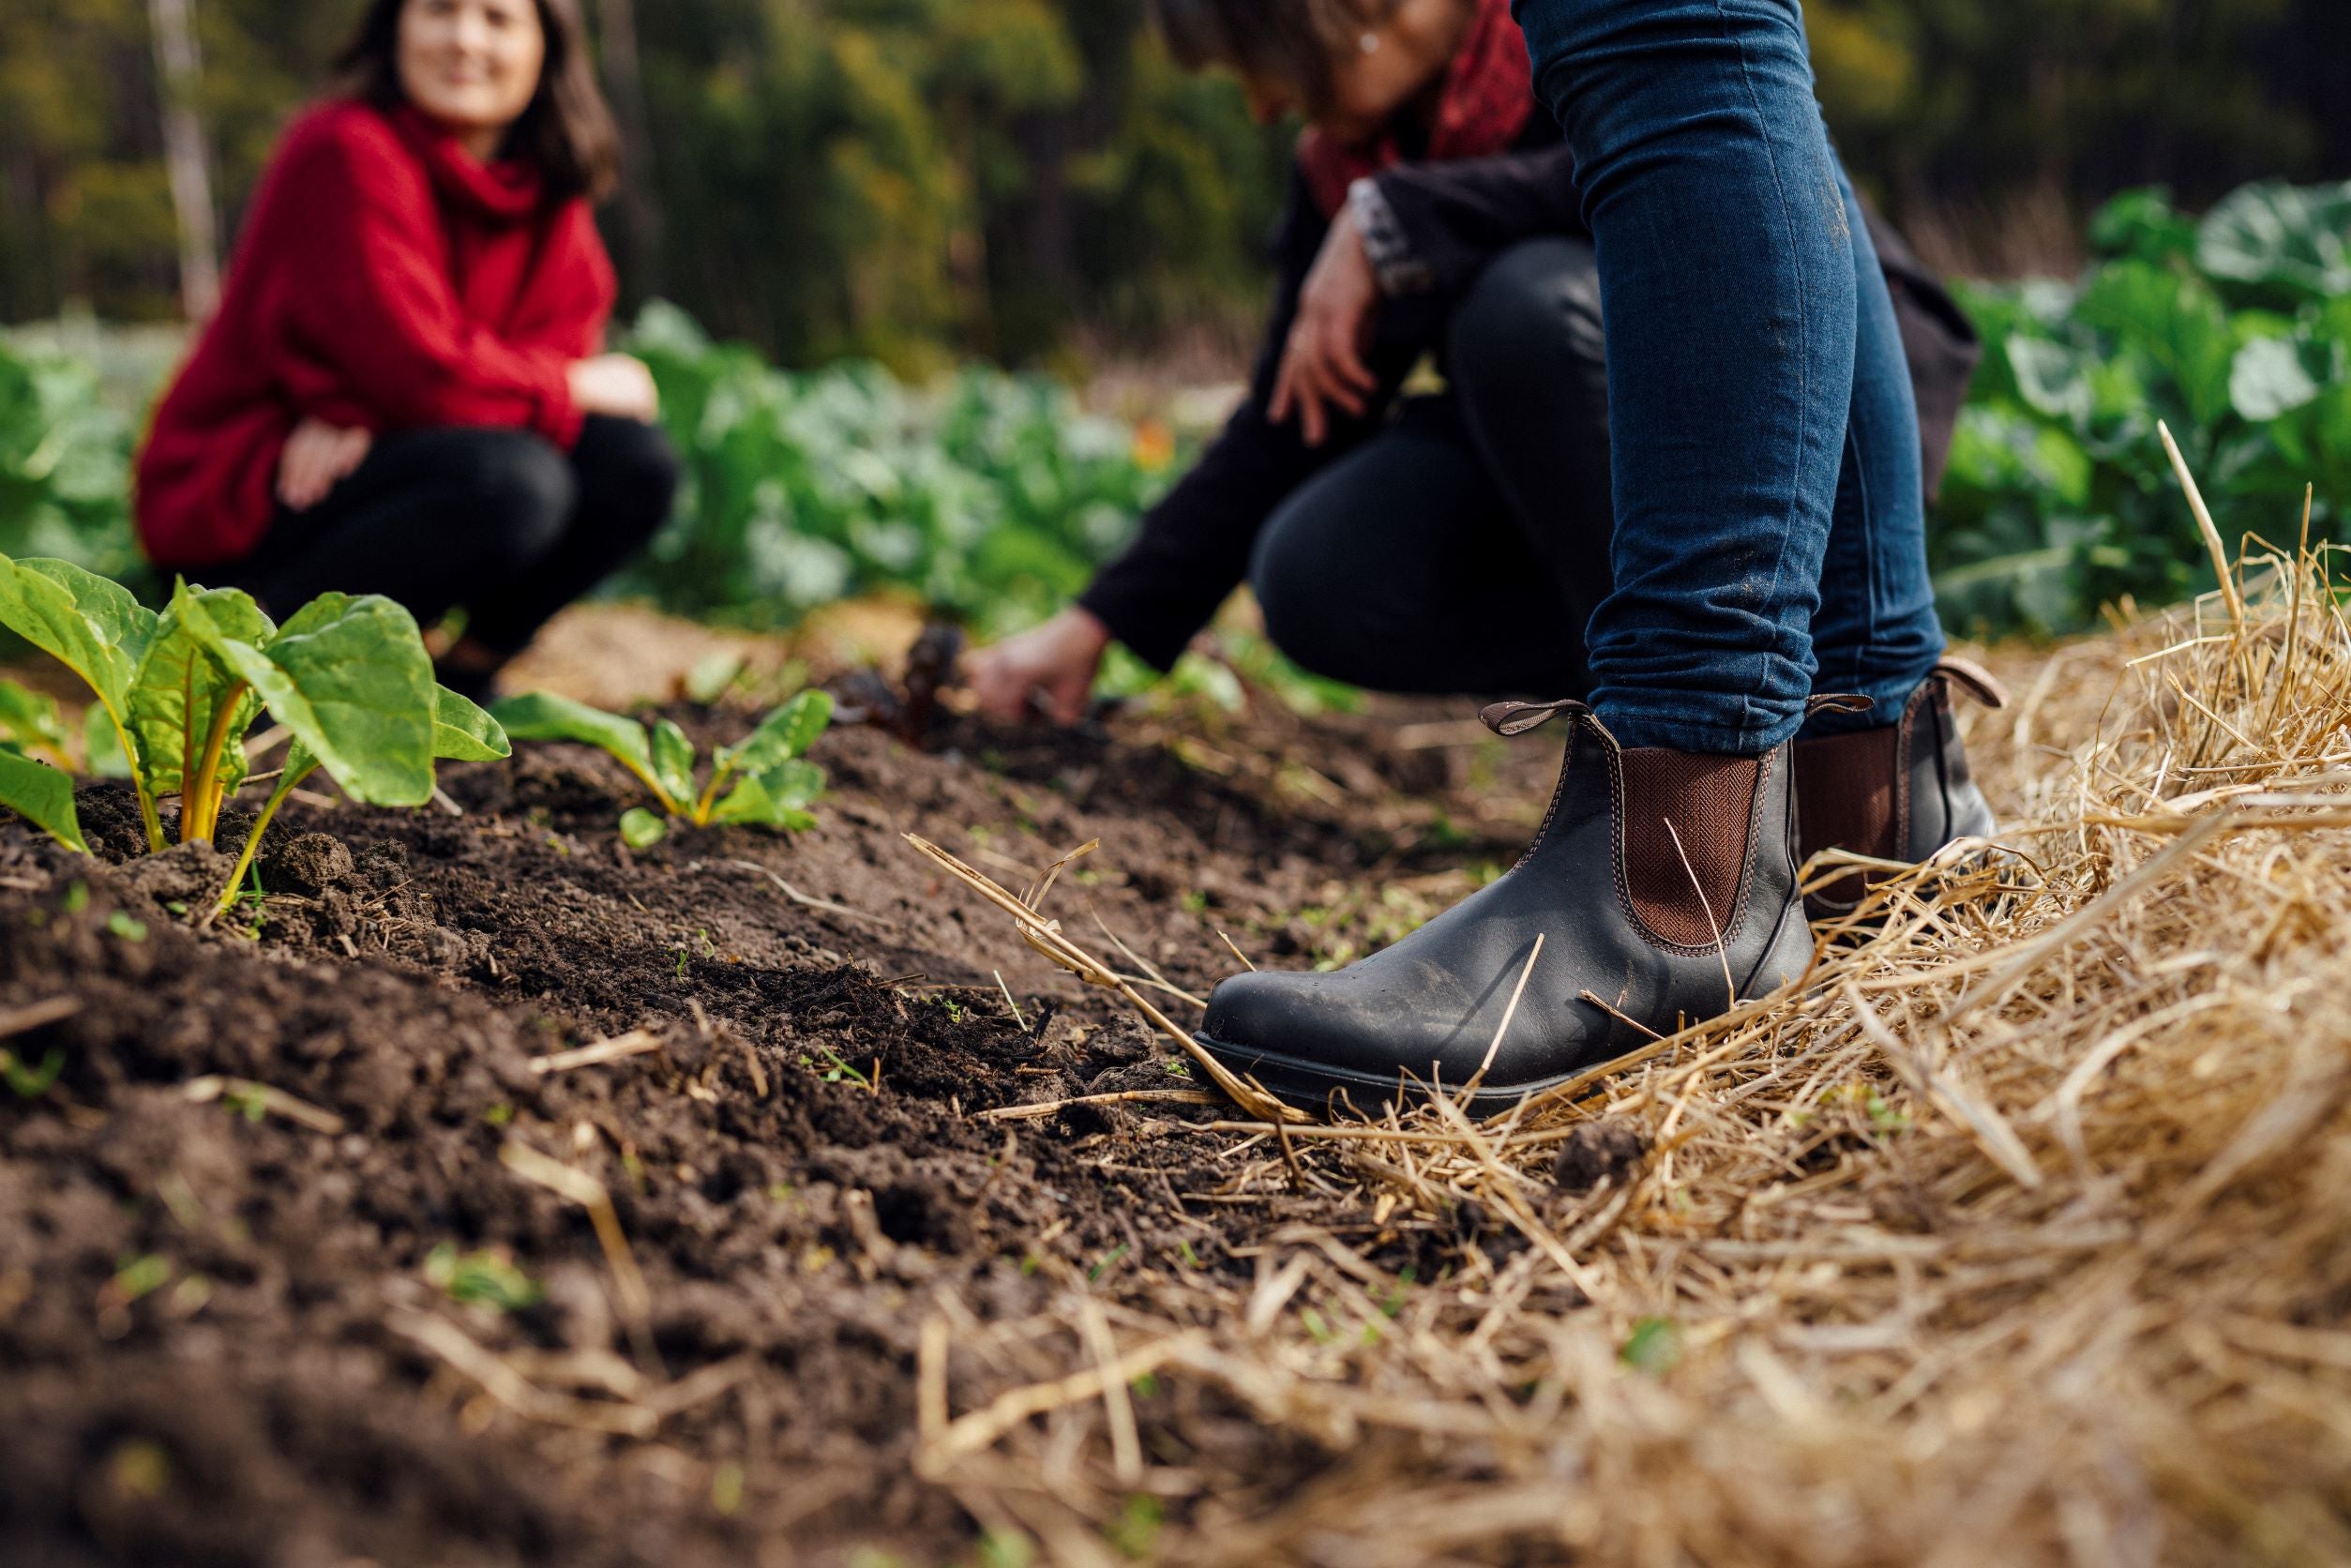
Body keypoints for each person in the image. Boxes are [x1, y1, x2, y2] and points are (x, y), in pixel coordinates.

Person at [970, 0, 1979, 716]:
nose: (1259, 109)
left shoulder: (1586, 40)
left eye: (1253, 67)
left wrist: (1402, 217)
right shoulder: (1349, 167)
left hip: (1792, 428)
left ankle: (1736, 726)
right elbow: (1291, 414)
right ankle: (1646, 713)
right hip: (1597, 455)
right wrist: (1096, 623)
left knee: (1519, 312)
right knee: (1318, 571)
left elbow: (1709, 179)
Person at [134, 0, 676, 702]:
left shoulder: (547, 186)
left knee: (632, 463)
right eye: (439, 10)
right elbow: (412, 368)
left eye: (497, 17)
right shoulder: (344, 146)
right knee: (512, 482)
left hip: (378, 457)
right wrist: (567, 386)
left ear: (547, 46)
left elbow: (524, 347)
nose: (463, 39)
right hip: (249, 492)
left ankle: (463, 676)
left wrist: (380, 407)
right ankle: (248, 678)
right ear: (396, 28)